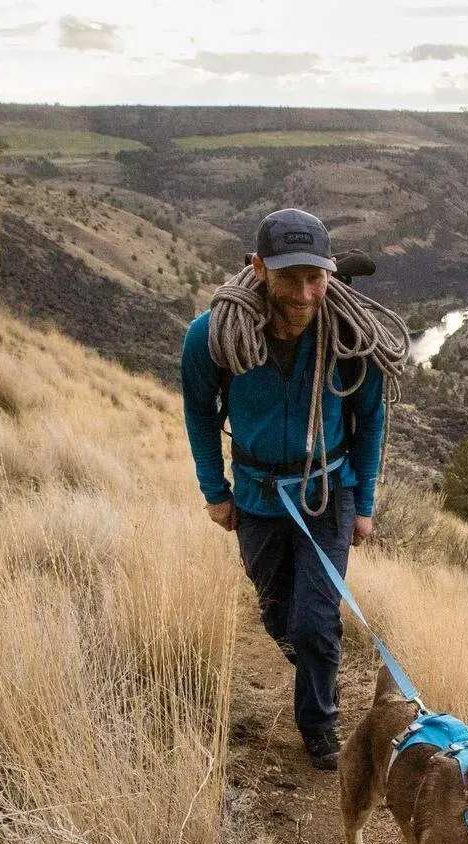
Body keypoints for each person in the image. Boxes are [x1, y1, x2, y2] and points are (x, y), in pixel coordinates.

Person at [180, 209, 387, 770]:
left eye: (315, 277)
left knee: (316, 621)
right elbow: (199, 413)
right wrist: (214, 489)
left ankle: (320, 727)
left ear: (331, 270)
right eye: (290, 277)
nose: (304, 293)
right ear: (258, 268)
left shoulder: (349, 334)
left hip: (328, 492)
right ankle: (317, 670)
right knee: (278, 615)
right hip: (257, 495)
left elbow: (371, 419)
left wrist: (363, 504)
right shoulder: (211, 337)